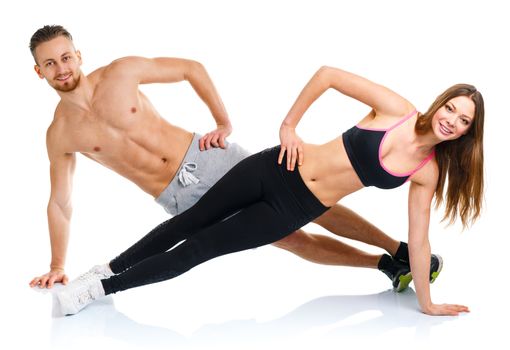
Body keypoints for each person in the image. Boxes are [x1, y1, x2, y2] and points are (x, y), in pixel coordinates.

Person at [28, 25, 438, 293]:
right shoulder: (61, 134)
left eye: (65, 57)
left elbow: (192, 68)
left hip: (208, 157)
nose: (61, 68)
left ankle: (397, 247)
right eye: (50, 63)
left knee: (315, 199)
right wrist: (57, 264)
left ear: (78, 54)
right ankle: (384, 264)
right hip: (177, 197)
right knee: (290, 239)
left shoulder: (121, 72)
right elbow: (60, 202)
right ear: (39, 72)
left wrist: (222, 121)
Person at [56, 64, 484, 317]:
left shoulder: (427, 171)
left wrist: (427, 303)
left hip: (295, 207)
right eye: (451, 108)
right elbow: (328, 75)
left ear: (467, 133)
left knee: (198, 249)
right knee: (188, 222)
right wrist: (289, 126)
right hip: (274, 166)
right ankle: (108, 269)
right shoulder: (397, 111)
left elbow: (422, 236)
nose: (452, 120)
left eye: (463, 121)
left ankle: (99, 291)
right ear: (440, 102)